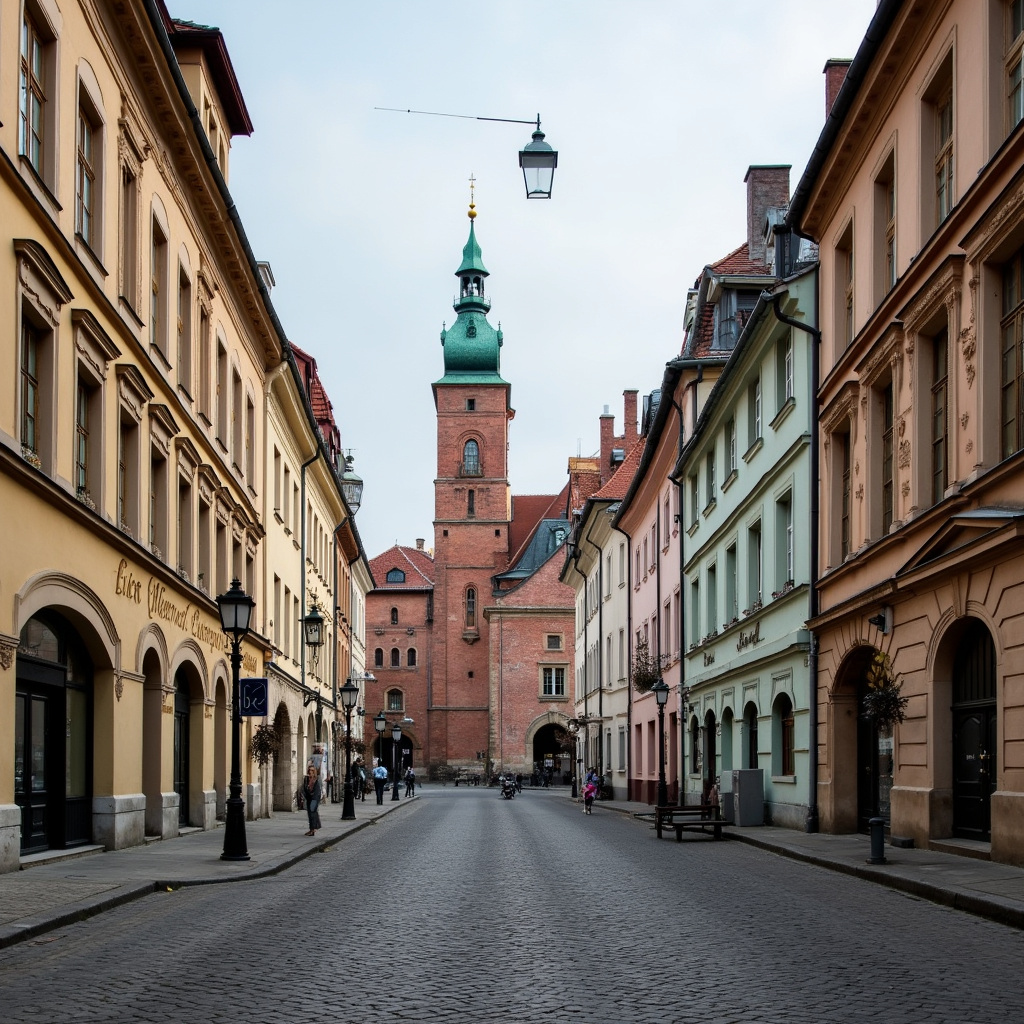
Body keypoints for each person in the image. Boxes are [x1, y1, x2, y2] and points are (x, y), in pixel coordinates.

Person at [302, 765, 322, 836]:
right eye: (309, 770)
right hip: (309, 798)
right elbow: (304, 788)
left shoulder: (317, 779)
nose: (310, 772)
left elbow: (318, 790)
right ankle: (312, 829)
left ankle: (313, 829)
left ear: (314, 772)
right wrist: (305, 795)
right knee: (310, 814)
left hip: (315, 798)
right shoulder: (306, 779)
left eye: (312, 770)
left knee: (312, 813)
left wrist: (314, 796)